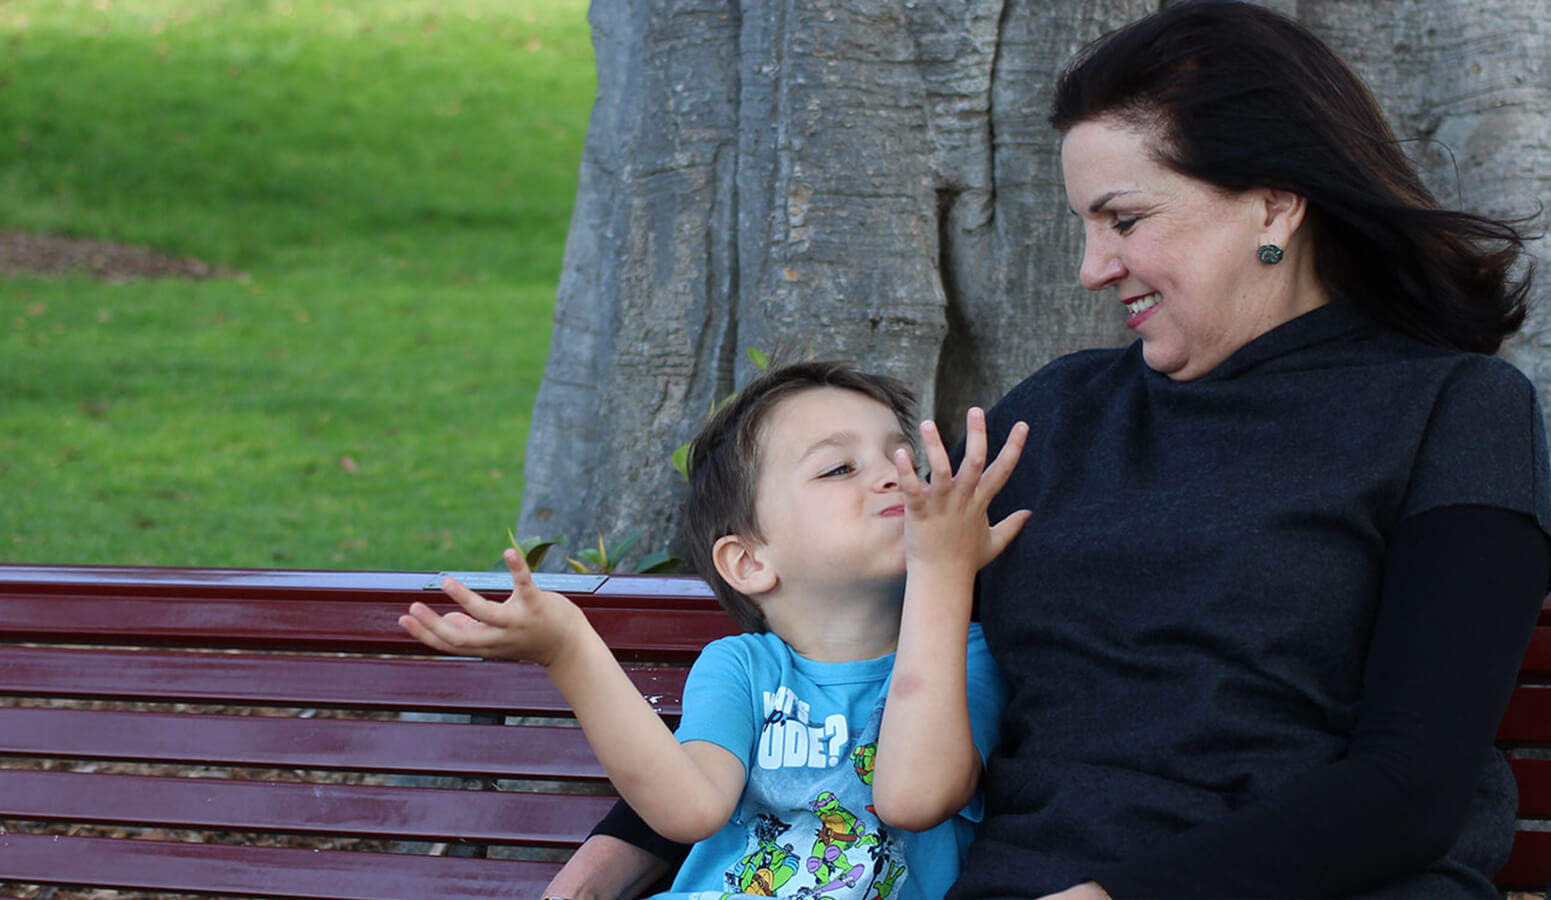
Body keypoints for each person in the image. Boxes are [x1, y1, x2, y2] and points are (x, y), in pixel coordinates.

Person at [545, 1, 1551, 898]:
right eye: (1084, 224)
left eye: (1125, 219)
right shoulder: (1056, 415)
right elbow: (850, 656)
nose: (1090, 267)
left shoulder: (1456, 412)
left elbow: (1409, 788)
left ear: (1275, 203)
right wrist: (609, 862)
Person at [400, 360, 1031, 899]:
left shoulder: (964, 653)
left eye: (903, 455)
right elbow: (691, 809)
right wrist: (570, 650)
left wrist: (941, 574)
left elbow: (913, 798)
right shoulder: (739, 669)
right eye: (839, 468)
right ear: (750, 562)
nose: (895, 474)